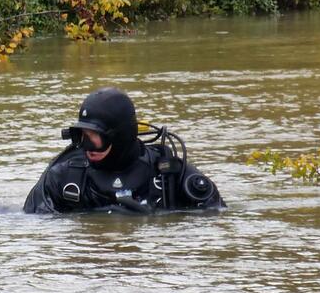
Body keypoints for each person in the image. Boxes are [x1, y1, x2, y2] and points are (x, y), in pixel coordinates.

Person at [24, 87, 225, 214]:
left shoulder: (171, 175)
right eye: (81, 136)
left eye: (95, 137)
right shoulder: (62, 178)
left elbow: (217, 218)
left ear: (119, 137)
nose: (87, 146)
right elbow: (32, 223)